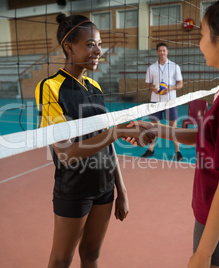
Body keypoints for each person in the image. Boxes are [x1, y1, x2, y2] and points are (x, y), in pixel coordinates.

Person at [126, 0, 219, 267]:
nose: (198, 43)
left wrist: (202, 255)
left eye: (201, 35)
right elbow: (208, 135)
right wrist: (153, 128)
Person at [35, 13, 154, 268]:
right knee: (61, 260)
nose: (99, 50)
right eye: (90, 44)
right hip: (74, 188)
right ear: (69, 47)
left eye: (99, 44)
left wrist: (120, 189)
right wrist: (120, 132)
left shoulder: (94, 88)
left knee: (91, 255)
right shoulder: (50, 87)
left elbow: (107, 143)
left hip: (104, 188)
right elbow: (66, 154)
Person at [141, 42, 184, 161]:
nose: (162, 53)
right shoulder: (151, 68)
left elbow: (180, 84)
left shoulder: (175, 66)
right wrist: (153, 89)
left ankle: (177, 151)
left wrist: (170, 88)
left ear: (167, 52)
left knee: (173, 126)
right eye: (160, 51)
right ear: (157, 52)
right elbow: (147, 85)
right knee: (154, 126)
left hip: (170, 101)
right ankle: (151, 149)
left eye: (164, 50)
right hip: (155, 101)